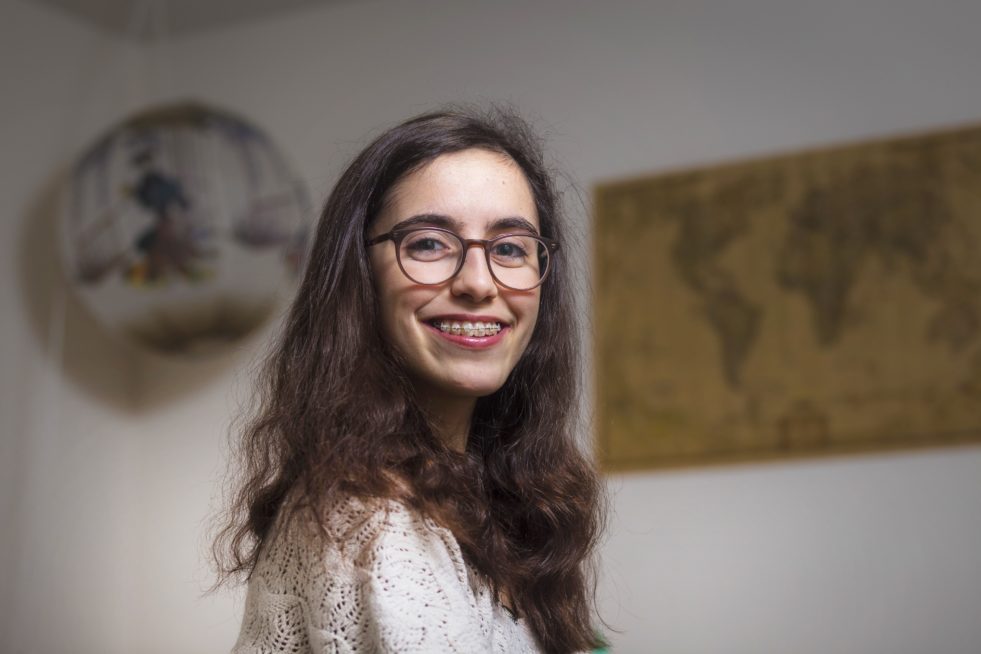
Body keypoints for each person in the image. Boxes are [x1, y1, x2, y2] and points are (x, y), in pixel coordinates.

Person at [215, 107, 604, 653]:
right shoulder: (366, 523)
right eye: (428, 243)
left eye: (510, 247)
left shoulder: (485, 499)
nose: (477, 282)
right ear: (360, 276)